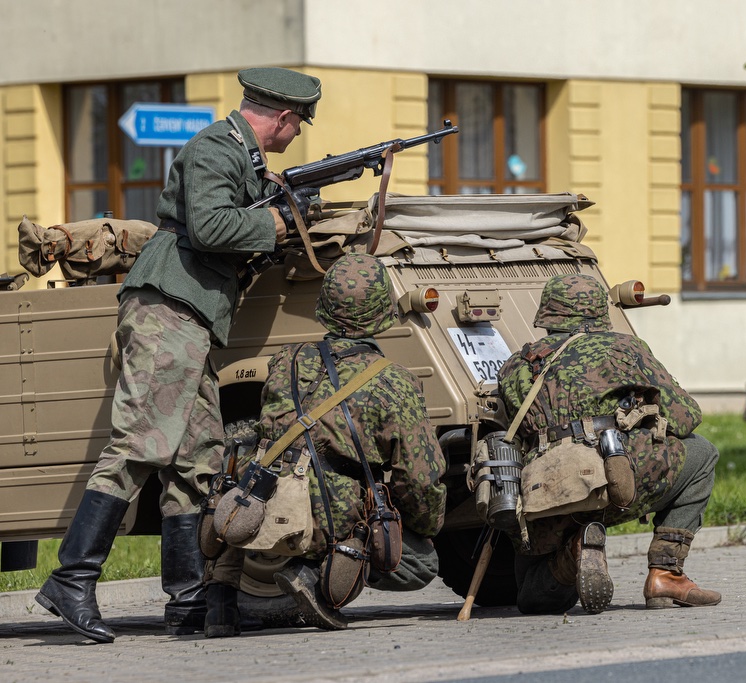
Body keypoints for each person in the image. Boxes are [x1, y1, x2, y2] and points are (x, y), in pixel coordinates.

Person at [35, 67, 323, 643]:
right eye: (299, 125)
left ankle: (188, 602)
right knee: (141, 443)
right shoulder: (216, 147)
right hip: (167, 309)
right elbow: (211, 227)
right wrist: (274, 220)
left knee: (197, 460)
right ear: (285, 117)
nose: (297, 135)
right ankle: (71, 579)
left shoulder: (242, 157)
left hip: (190, 318)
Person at [203, 253, 447, 637]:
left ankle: (219, 607)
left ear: (325, 308)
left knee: (243, 470)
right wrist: (425, 525)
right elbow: (419, 479)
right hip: (328, 513)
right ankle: (314, 576)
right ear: (383, 312)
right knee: (422, 562)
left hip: (258, 502)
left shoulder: (286, 361)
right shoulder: (395, 382)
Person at [496, 273, 721, 615]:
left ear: (548, 313)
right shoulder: (626, 348)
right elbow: (686, 416)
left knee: (533, 598)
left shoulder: (516, 365)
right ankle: (666, 573)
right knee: (702, 452)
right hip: (618, 481)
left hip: (549, 490)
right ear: (600, 310)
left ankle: (572, 553)